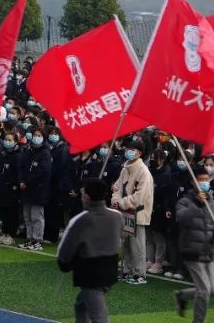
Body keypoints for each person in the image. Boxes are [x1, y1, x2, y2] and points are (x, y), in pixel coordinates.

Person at [57, 178, 124, 323]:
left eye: (82, 193)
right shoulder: (117, 216)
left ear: (87, 196)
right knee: (81, 305)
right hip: (110, 272)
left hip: (90, 275)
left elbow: (65, 253)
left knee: (98, 316)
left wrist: (66, 265)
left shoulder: (81, 220)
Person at [174, 165, 214, 323]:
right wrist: (198, 205)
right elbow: (181, 218)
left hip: (209, 252)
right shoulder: (185, 201)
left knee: (212, 289)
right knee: (204, 291)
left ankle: (182, 295)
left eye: (207, 180)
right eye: (201, 180)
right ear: (193, 182)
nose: (205, 183)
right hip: (191, 251)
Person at [111, 138, 154, 285]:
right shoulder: (125, 168)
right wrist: (116, 200)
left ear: (140, 153)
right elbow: (116, 187)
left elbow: (140, 196)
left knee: (138, 245)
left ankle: (140, 273)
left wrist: (122, 203)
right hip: (125, 211)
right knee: (127, 243)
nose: (129, 152)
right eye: (128, 149)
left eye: (133, 150)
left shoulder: (144, 171)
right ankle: (127, 270)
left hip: (138, 212)